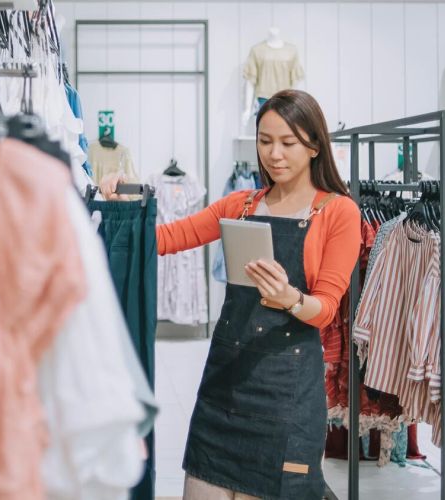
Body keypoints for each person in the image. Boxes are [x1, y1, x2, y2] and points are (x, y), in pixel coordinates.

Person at [101, 89, 361, 499]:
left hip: (287, 400)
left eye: (288, 143)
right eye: (265, 141)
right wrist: (122, 206)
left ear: (314, 146)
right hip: (224, 389)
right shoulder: (240, 205)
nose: (274, 154)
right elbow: (166, 238)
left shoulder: (338, 212)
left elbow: (326, 310)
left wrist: (290, 297)